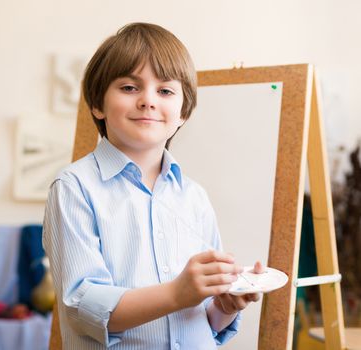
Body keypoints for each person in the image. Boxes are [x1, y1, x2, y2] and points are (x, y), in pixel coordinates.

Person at [42, 22, 263, 350]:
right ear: (97, 104)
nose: (148, 100)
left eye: (165, 91)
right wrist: (177, 294)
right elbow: (83, 308)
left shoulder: (194, 197)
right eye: (130, 87)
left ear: (183, 112)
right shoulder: (74, 188)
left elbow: (204, 319)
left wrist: (225, 304)